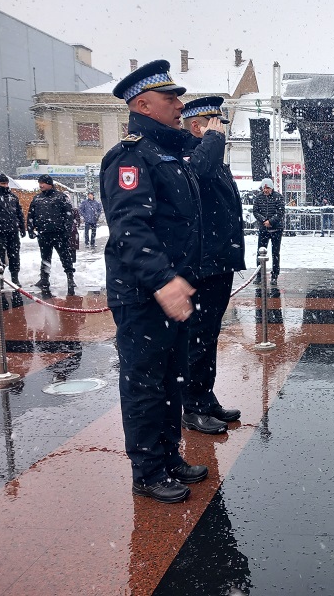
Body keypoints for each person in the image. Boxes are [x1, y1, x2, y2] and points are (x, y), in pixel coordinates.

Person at [100, 59, 207, 504]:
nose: (180, 105)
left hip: (170, 291)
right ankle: (146, 470)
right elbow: (130, 227)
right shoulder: (131, 154)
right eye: (171, 99)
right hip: (144, 294)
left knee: (171, 380)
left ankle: (167, 457)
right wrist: (163, 280)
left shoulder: (166, 153)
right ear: (143, 104)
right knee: (145, 385)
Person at [179, 96, 245, 435]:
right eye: (214, 123)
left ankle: (205, 397)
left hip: (218, 262)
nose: (222, 129)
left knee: (209, 335)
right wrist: (211, 141)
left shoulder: (211, 156)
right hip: (202, 265)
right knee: (197, 338)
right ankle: (192, 406)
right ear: (196, 126)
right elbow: (196, 175)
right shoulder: (191, 156)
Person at [26, 174, 76, 294]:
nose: (40, 185)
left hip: (59, 234)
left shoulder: (61, 197)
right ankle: (44, 279)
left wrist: (66, 231)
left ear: (50, 184)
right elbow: (31, 215)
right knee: (45, 258)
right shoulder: (37, 198)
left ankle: (70, 278)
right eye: (39, 183)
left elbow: (69, 215)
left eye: (43, 182)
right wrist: (30, 229)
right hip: (43, 234)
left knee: (65, 257)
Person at [252, 177, 284, 285]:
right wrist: (263, 220)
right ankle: (259, 275)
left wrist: (271, 221)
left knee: (275, 253)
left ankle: (274, 275)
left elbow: (280, 212)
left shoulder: (278, 197)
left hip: (276, 230)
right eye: (264, 188)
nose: (265, 190)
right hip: (263, 230)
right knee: (260, 253)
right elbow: (255, 211)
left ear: (271, 188)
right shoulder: (258, 198)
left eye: (268, 188)